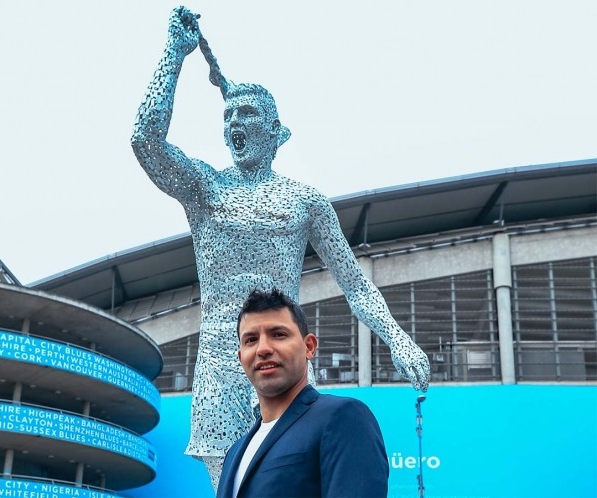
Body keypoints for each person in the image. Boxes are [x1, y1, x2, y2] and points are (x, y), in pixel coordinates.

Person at [131, 6, 429, 490]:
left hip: (284, 357)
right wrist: (173, 56)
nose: (234, 122)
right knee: (234, 486)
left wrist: (397, 338)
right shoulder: (206, 189)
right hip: (222, 364)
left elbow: (354, 284)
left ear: (276, 132)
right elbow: (145, 139)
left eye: (246, 113)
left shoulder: (304, 200)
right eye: (228, 115)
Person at [216, 288, 389, 498]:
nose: (263, 349)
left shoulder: (342, 417)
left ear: (309, 347)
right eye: (251, 339)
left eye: (278, 334)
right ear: (241, 357)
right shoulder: (234, 452)